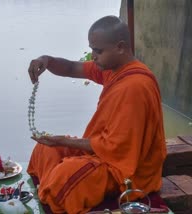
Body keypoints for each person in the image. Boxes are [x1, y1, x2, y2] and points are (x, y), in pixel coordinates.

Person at [27, 15, 167, 213]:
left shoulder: (135, 86)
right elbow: (72, 68)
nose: (93, 56)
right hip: (105, 151)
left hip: (127, 170)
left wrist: (63, 142)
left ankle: (55, 187)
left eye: (98, 51)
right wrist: (46, 60)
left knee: (65, 175)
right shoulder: (112, 68)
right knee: (45, 150)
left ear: (120, 47)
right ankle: (53, 188)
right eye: (92, 49)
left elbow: (116, 149)